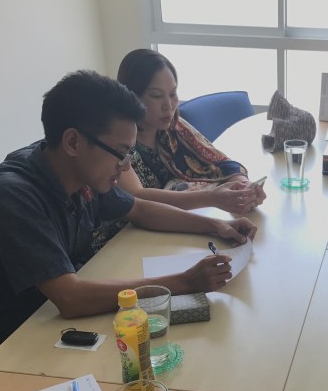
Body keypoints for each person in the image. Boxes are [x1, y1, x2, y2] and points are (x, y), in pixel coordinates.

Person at [0, 70, 257, 361]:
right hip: (17, 343)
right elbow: (70, 298)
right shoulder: (13, 196)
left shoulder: (78, 168)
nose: (126, 166)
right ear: (73, 142)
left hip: (65, 318)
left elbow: (138, 209)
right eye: (121, 153)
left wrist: (216, 225)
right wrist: (186, 282)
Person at [91, 49, 266, 252]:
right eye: (156, 96)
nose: (169, 105)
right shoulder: (117, 140)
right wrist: (212, 198)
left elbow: (218, 160)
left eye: (173, 94)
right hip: (126, 242)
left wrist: (243, 189)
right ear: (132, 96)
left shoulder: (172, 125)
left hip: (170, 232)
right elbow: (138, 199)